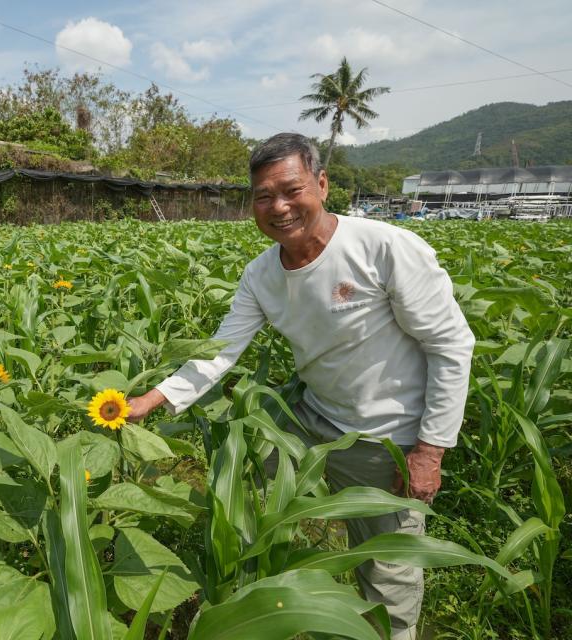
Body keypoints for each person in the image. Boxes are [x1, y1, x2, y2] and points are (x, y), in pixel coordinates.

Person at [126, 133, 475, 640]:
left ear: (322, 184)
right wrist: (150, 401)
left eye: (291, 190)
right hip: (312, 421)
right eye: (263, 196)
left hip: (387, 437)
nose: (279, 206)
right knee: (247, 497)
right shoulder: (261, 274)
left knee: (387, 567)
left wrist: (430, 450)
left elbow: (450, 345)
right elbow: (220, 352)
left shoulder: (384, 248)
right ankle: (264, 600)